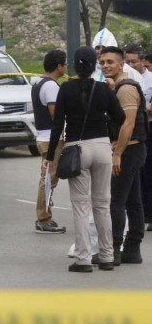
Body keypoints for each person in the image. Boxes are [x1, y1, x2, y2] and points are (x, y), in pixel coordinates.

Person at [46, 46, 124, 273]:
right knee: (102, 204)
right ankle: (107, 256)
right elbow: (119, 117)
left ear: (74, 66)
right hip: (102, 147)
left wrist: (51, 157)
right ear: (94, 66)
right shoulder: (104, 89)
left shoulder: (65, 89)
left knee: (81, 206)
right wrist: (107, 132)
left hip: (77, 148)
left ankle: (83, 259)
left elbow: (57, 125)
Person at [99, 46, 148, 264]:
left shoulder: (126, 88)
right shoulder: (119, 86)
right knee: (133, 201)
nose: (105, 66)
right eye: (102, 62)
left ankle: (114, 250)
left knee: (117, 202)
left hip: (129, 150)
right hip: (133, 150)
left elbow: (128, 123)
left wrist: (117, 153)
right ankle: (132, 249)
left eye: (110, 62)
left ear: (121, 64)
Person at [32, 50, 67, 234]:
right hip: (50, 139)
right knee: (48, 179)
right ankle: (43, 219)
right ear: (59, 66)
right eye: (64, 65)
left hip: (44, 136)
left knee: (49, 178)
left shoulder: (39, 83)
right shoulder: (51, 86)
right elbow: (56, 115)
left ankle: (46, 216)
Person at [122, 44, 152, 233]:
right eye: (128, 61)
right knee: (136, 175)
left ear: (143, 61)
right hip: (130, 128)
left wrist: (136, 109)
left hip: (147, 127)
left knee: (148, 172)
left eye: (135, 61)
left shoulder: (148, 80)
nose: (131, 65)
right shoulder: (125, 78)